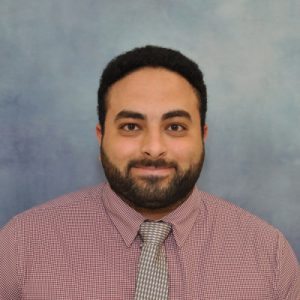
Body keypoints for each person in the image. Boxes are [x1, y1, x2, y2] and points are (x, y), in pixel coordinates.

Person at [0, 45, 299, 299]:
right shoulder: (22, 244)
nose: (154, 148)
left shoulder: (269, 255)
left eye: (175, 127)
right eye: (131, 126)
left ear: (202, 135)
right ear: (101, 135)